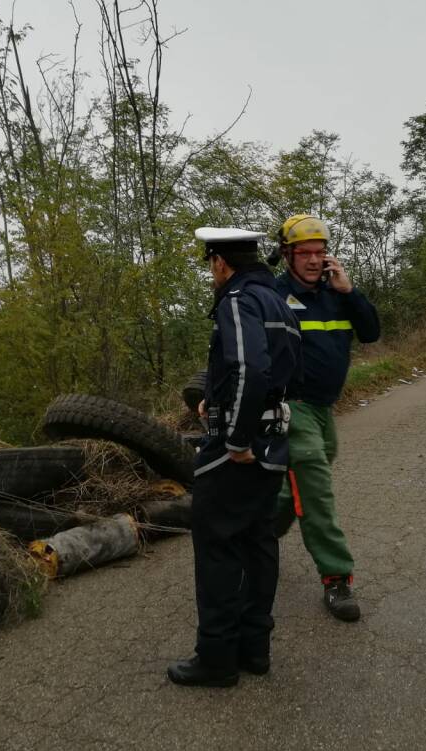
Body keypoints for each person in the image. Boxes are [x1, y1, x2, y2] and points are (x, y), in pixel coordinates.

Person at [168, 227, 301, 688]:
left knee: (217, 548)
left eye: (211, 265)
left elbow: (249, 366)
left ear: (221, 263)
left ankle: (217, 659)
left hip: (239, 451)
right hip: (275, 442)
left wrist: (237, 438)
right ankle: (255, 651)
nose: (211, 274)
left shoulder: (237, 300)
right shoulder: (278, 301)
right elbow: (277, 370)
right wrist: (214, 397)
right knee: (257, 542)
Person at [271, 215, 380, 622]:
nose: (315, 260)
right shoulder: (274, 294)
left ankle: (260, 534)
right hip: (291, 406)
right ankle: (336, 577)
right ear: (287, 255)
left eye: (320, 252)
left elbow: (370, 333)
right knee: (315, 487)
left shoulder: (336, 293)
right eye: (305, 253)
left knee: (300, 479)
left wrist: (350, 292)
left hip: (322, 408)